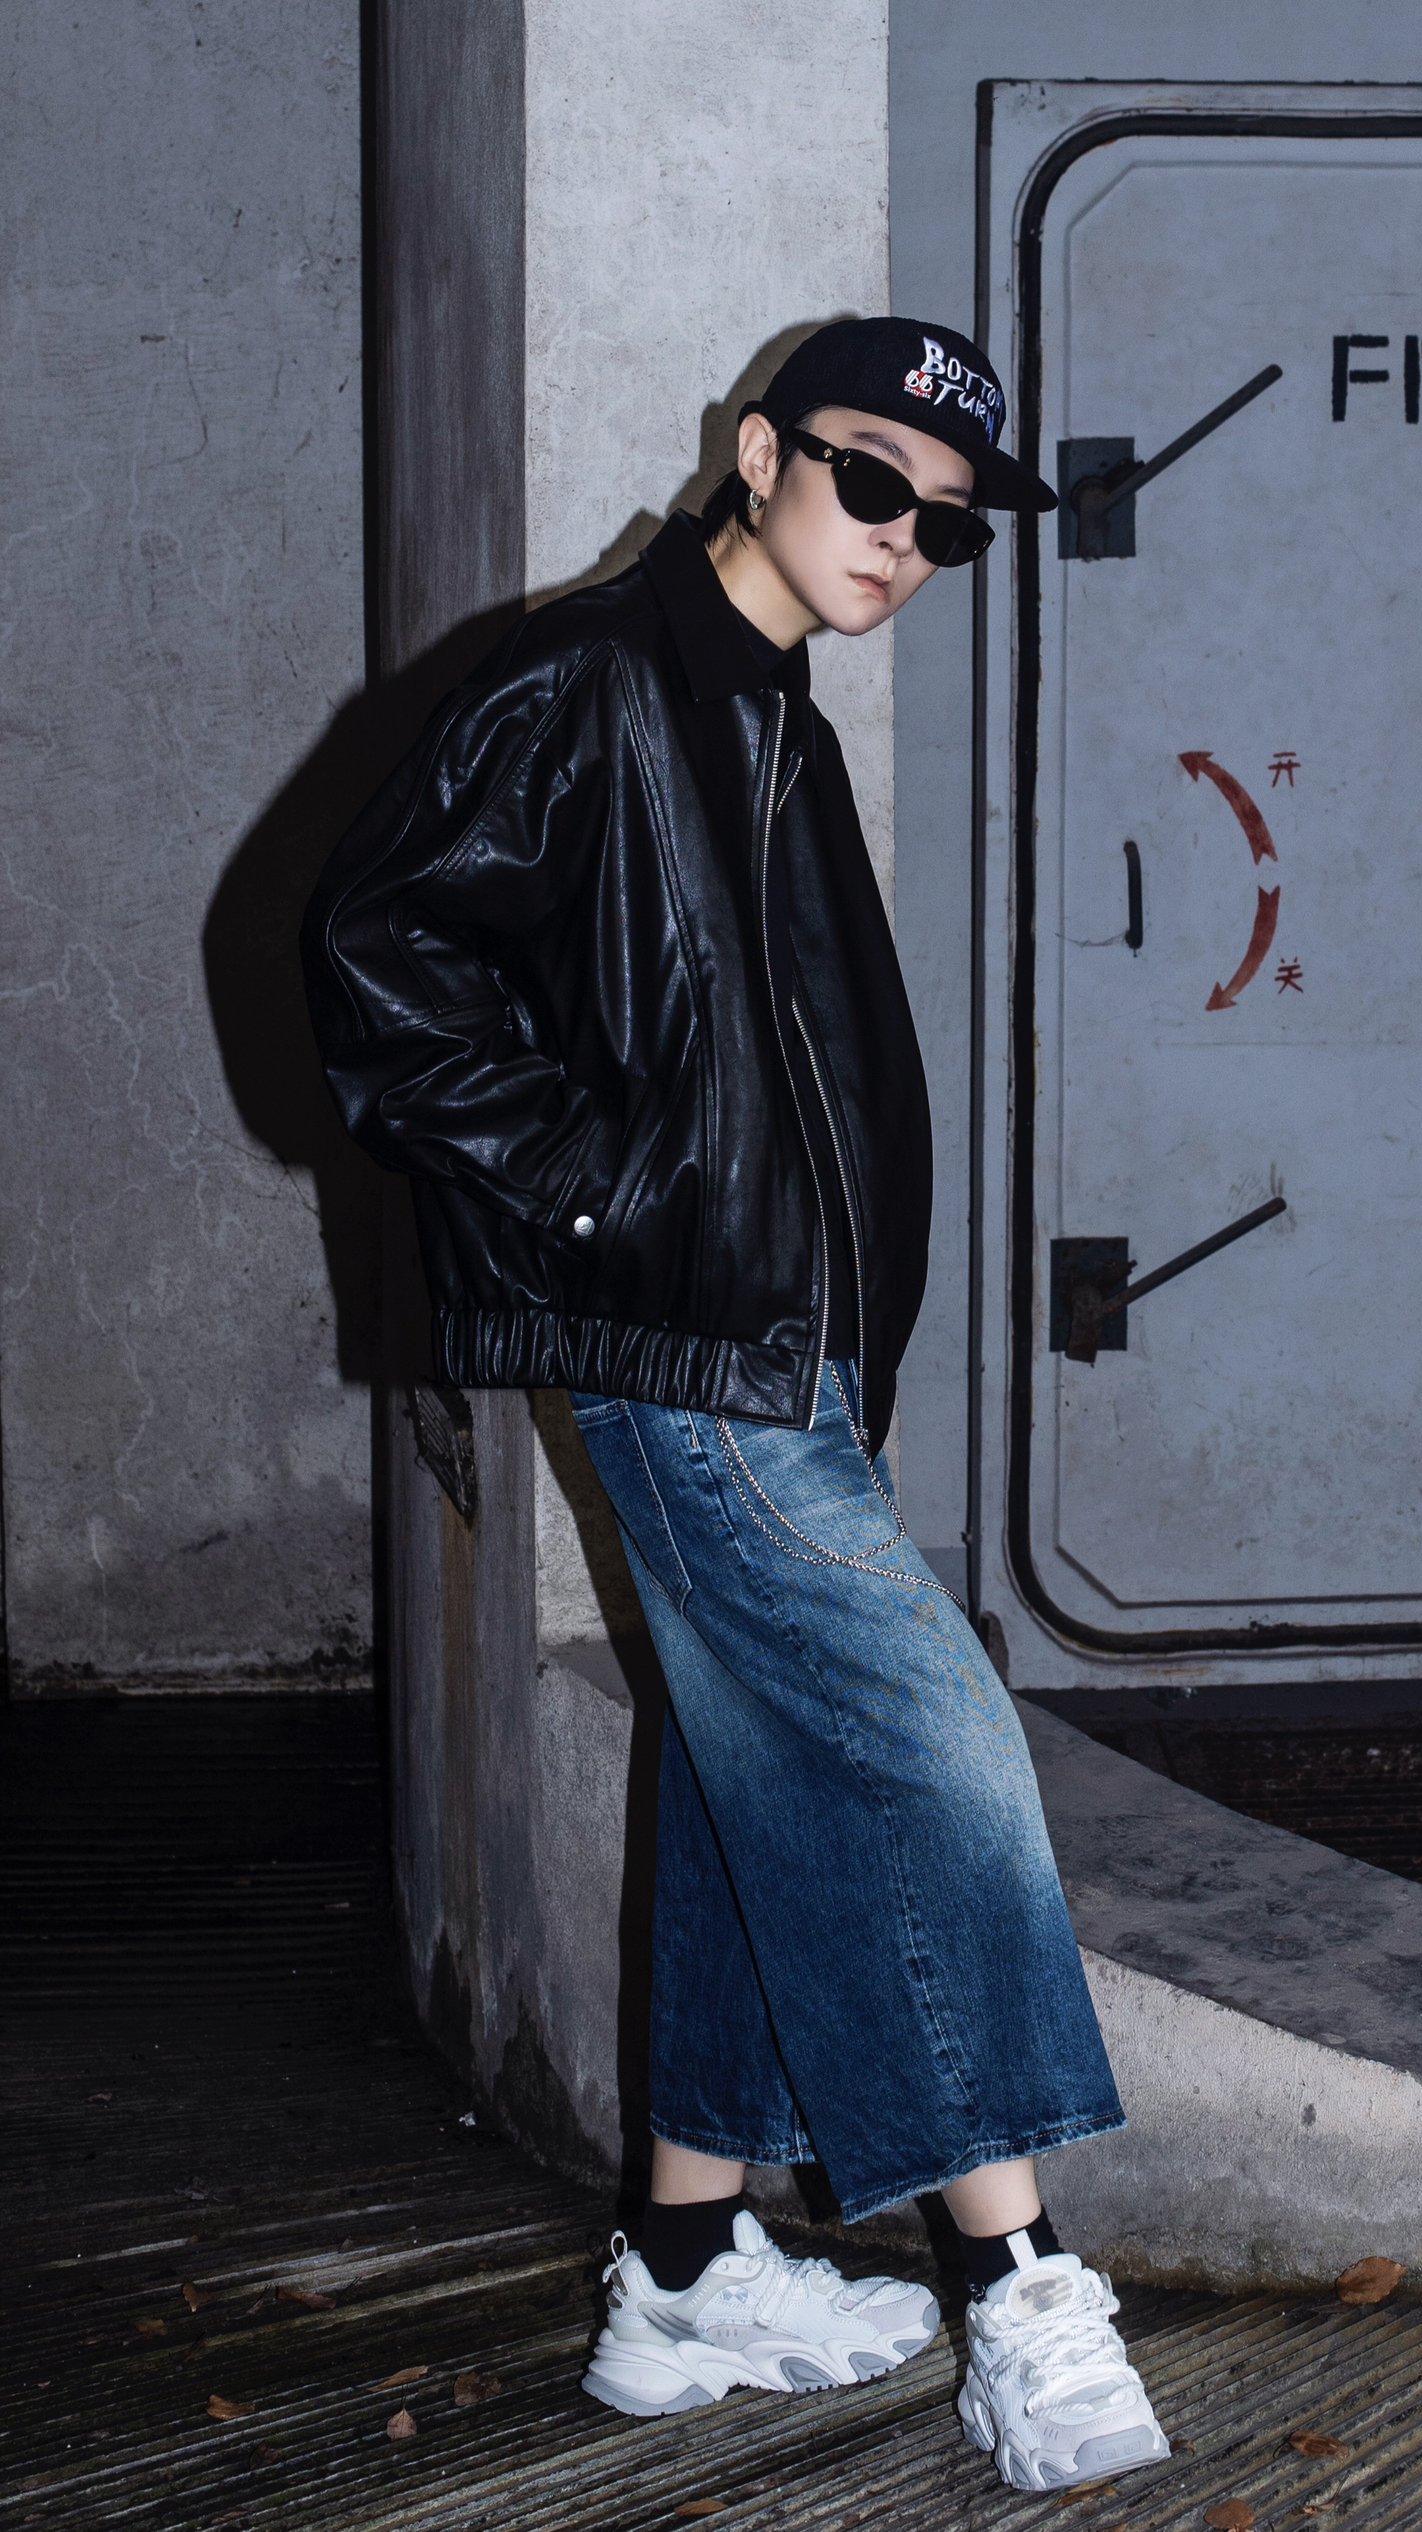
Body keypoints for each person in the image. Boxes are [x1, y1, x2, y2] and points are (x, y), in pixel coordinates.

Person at [300, 317, 1170, 2493]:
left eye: (945, 524)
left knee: (747, 1769)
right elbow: (371, 962)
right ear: (760, 453)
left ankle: (686, 2275)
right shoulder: (588, 682)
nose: (903, 540)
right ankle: (1019, 2288)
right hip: (692, 1354)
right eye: (871, 483)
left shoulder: (760, 701)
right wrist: (611, 1204)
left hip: (781, 1358)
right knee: (932, 1756)